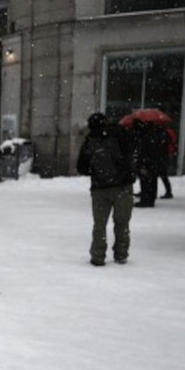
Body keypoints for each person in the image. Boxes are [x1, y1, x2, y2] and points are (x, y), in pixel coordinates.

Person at [76, 112, 136, 265]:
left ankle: (98, 255)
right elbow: (130, 156)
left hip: (99, 188)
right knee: (122, 223)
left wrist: (96, 171)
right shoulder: (120, 135)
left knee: (99, 224)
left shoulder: (89, 141)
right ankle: (121, 253)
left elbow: (81, 167)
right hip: (122, 187)